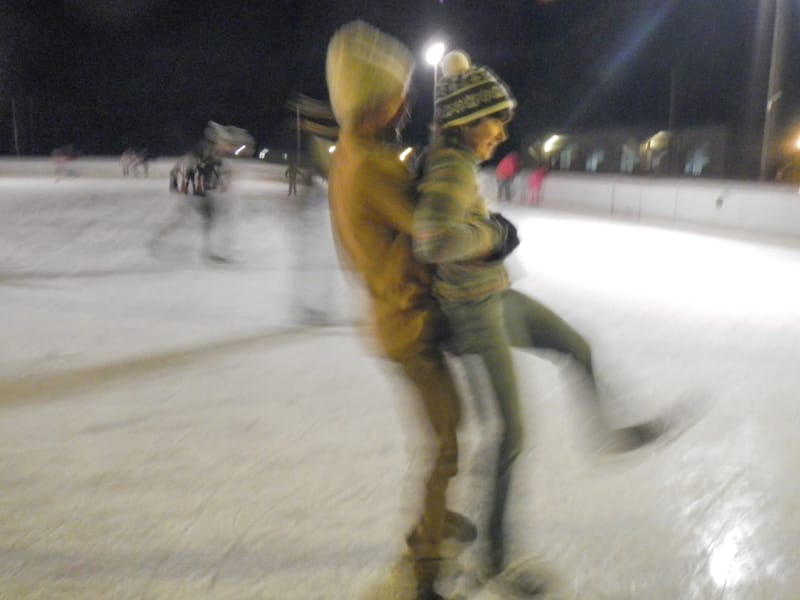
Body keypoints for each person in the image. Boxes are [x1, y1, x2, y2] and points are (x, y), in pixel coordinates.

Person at [413, 50, 667, 596]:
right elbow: (431, 240)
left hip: (495, 296)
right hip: (475, 315)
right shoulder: (450, 167)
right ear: (466, 121)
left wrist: (487, 230)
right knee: (511, 436)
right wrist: (491, 237)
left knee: (576, 345)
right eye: (494, 119)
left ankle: (610, 435)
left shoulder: (460, 165)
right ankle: (495, 560)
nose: (502, 131)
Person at [326, 22, 474, 600]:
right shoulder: (373, 166)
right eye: (397, 92)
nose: (406, 101)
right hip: (407, 324)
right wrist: (487, 232)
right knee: (444, 445)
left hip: (392, 319)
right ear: (373, 101)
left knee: (449, 430)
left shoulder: (354, 156)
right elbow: (432, 230)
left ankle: (435, 523)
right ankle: (426, 560)